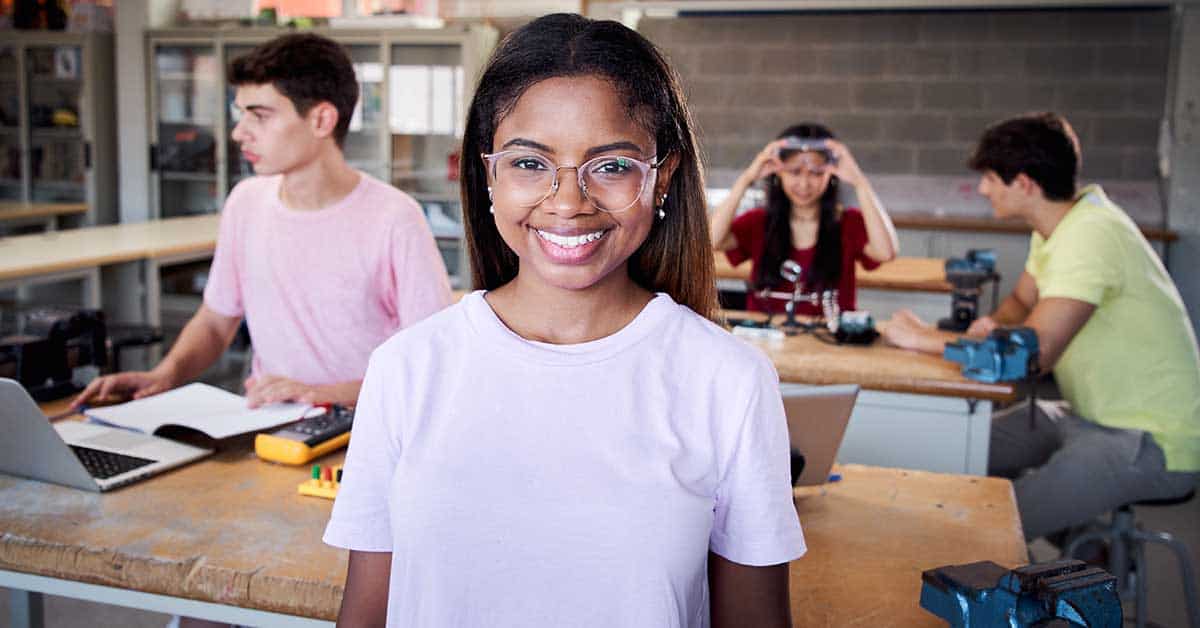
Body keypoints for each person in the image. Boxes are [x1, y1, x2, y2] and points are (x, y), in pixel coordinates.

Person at [324, 13, 806, 627]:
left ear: (663, 177)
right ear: (488, 174)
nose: (569, 202)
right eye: (529, 163)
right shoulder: (407, 368)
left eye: (610, 166)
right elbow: (366, 613)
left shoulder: (729, 380)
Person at [72, 33, 453, 411]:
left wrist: (324, 395)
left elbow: (432, 360)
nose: (239, 133)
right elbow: (216, 321)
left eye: (260, 115)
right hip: (267, 421)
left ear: (321, 119)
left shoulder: (394, 217)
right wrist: (165, 375)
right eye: (241, 115)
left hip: (363, 426)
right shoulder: (246, 202)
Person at [882, 112, 1199, 542]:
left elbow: (1031, 355)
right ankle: (1089, 552)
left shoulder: (1090, 235)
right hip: (1087, 414)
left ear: (1025, 183)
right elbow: (1020, 303)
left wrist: (926, 339)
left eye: (991, 179)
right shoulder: (1059, 225)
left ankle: (1077, 564)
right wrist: (993, 324)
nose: (982, 189)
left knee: (992, 527)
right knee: (955, 451)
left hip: (1149, 438)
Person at [709, 123, 898, 315]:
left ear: (831, 174)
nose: (804, 183)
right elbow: (711, 240)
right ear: (778, 172)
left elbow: (885, 252)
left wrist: (860, 182)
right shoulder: (758, 221)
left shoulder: (848, 222)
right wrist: (747, 179)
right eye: (794, 172)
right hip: (766, 339)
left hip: (830, 341)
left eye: (816, 173)